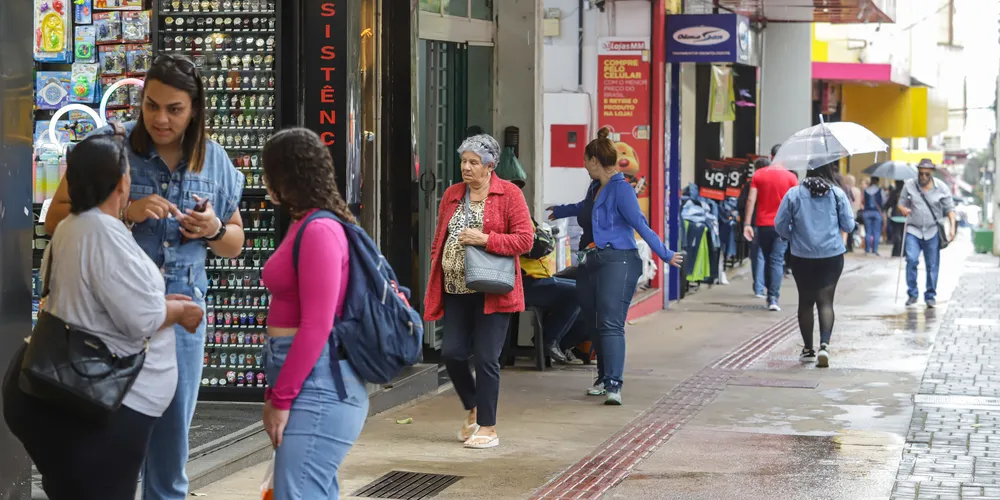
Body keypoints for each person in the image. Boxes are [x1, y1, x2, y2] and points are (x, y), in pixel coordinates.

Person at [42, 54, 246, 500]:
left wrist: (212, 229)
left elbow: (235, 242)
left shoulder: (214, 160)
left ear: (194, 109)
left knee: (170, 456)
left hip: (182, 322)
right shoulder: (110, 148)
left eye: (174, 109)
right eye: (151, 105)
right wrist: (123, 213)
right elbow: (56, 219)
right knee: (105, 446)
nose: (160, 119)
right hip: (109, 321)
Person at [2, 134, 204, 500]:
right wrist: (178, 311)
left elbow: (99, 302)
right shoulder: (102, 232)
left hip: (63, 392)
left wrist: (157, 302)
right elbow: (141, 320)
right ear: (122, 182)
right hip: (101, 401)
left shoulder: (73, 226)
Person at [257, 128, 368, 498]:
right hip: (304, 379)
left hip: (319, 385)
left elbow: (316, 326)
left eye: (268, 172)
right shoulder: (304, 223)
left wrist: (281, 398)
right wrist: (276, 390)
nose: (264, 181)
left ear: (286, 176)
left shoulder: (319, 229)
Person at [550, 127, 682, 405]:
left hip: (618, 261)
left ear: (594, 161)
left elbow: (640, 225)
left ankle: (614, 385)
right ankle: (602, 378)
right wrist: (561, 210)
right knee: (593, 321)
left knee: (610, 322)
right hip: (590, 261)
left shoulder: (622, 190)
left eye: (585, 161)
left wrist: (665, 254)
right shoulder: (595, 187)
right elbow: (586, 207)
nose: (584, 166)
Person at [424, 134, 533, 449]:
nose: (466, 167)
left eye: (473, 162)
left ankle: (488, 427)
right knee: (452, 353)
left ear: (490, 166)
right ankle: (473, 406)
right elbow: (440, 237)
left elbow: (525, 240)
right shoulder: (452, 194)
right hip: (455, 289)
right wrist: (437, 262)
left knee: (486, 357)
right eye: (463, 161)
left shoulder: (509, 194)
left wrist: (486, 239)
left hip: (493, 290)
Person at [774, 163, 855, 368]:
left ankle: (808, 350)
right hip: (831, 255)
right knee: (826, 302)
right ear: (828, 170)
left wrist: (792, 236)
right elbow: (849, 225)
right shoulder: (837, 194)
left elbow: (780, 224)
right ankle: (824, 346)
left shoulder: (794, 194)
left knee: (806, 301)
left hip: (802, 256)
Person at [743, 145, 798, 311]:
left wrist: (747, 224)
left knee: (768, 259)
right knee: (777, 260)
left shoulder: (759, 174)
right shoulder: (791, 177)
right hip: (783, 225)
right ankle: (773, 297)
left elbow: (751, 200)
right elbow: (796, 203)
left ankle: (770, 294)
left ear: (771, 156)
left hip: (763, 225)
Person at [898, 159, 957, 308]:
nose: (923, 176)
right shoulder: (909, 185)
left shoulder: (941, 188)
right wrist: (903, 209)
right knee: (911, 260)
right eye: (921, 173)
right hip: (913, 229)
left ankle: (930, 296)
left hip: (932, 231)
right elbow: (901, 203)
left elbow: (950, 209)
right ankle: (912, 294)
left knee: (932, 265)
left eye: (926, 174)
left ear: (932, 173)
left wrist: (952, 228)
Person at [861, 176, 885, 255]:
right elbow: (884, 201)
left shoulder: (866, 190)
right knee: (876, 232)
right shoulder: (880, 190)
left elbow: (863, 201)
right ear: (877, 181)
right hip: (877, 213)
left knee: (868, 231)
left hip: (867, 212)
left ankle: (867, 249)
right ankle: (875, 249)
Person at [885, 180, 907, 257]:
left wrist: (886, 211)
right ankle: (903, 251)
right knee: (903, 234)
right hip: (904, 216)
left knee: (896, 234)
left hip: (895, 217)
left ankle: (896, 251)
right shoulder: (907, 193)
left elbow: (888, 204)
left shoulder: (894, 193)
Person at [844, 174, 863, 252]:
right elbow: (859, 202)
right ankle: (851, 244)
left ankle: (848, 244)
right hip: (855, 211)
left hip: (849, 210)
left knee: (847, 229)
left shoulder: (845, 189)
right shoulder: (857, 190)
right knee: (853, 229)